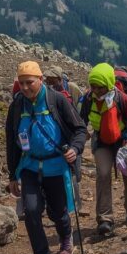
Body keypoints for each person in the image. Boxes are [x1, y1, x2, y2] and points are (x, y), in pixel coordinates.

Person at [5, 61, 88, 254]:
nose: (24, 87)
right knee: (31, 211)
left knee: (58, 211)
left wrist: (75, 149)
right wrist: (12, 174)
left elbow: (80, 129)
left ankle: (65, 237)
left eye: (29, 82)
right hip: (30, 167)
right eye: (21, 83)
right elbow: (11, 143)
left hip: (55, 166)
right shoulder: (17, 107)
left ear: (40, 80)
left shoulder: (57, 100)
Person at [80, 63, 127, 236]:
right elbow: (80, 120)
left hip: (123, 141)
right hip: (101, 141)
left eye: (100, 87)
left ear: (108, 84)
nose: (96, 91)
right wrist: (81, 134)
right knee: (103, 173)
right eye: (93, 87)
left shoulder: (123, 99)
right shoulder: (87, 99)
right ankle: (105, 218)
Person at [44, 65, 86, 213]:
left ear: (59, 79)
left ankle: (75, 203)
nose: (48, 82)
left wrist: (78, 124)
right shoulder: (47, 92)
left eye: (51, 79)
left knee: (75, 172)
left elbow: (81, 104)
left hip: (73, 132)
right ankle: (64, 205)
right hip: (58, 136)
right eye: (47, 79)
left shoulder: (72, 88)